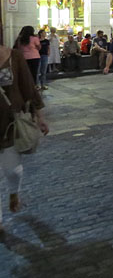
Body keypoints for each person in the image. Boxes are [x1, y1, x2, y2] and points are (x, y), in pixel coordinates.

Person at [0, 43, 49, 231]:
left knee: (13, 170)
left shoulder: (14, 56)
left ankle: (14, 192)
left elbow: (28, 88)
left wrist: (40, 117)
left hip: (10, 124)